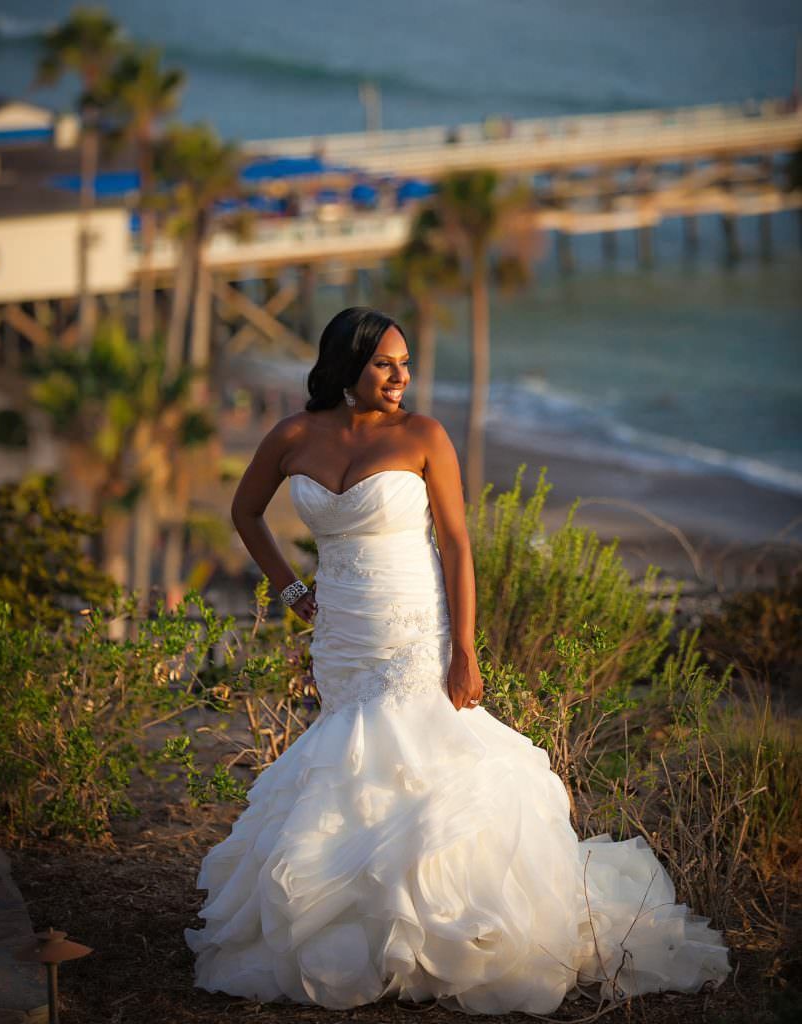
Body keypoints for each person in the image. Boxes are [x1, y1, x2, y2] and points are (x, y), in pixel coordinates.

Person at [185, 307, 730, 1014]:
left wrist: (465, 650)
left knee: (425, 754)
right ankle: (363, 922)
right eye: (386, 363)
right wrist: (290, 589)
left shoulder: (424, 436)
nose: (401, 376)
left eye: (405, 363)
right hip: (342, 635)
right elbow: (246, 512)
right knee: (352, 764)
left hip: (416, 627)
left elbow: (458, 545)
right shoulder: (292, 435)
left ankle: (439, 929)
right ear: (348, 365)